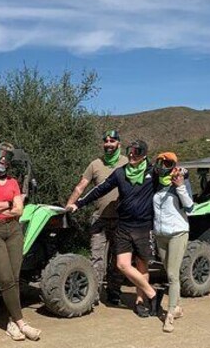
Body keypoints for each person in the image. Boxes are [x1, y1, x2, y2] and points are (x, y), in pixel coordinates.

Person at [67, 140, 158, 318]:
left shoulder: (152, 172)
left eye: (137, 152)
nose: (132, 154)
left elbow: (168, 178)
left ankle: (141, 302)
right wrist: (78, 204)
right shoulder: (120, 173)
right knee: (122, 264)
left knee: (141, 265)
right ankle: (153, 294)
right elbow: (99, 190)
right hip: (124, 225)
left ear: (145, 155)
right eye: (130, 151)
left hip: (144, 226)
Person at [0, 142, 41, 341]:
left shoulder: (13, 181)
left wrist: (4, 207)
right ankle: (22, 323)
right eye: (0, 155)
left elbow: (19, 210)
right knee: (5, 278)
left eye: (7, 157)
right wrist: (8, 204)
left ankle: (12, 323)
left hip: (13, 229)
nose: (3, 160)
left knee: (14, 277)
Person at [65, 130, 128, 306]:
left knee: (118, 258)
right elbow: (81, 187)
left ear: (119, 144)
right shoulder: (95, 164)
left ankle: (114, 293)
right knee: (96, 259)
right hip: (99, 219)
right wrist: (69, 206)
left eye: (112, 141)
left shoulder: (127, 162)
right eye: (106, 141)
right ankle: (93, 294)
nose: (108, 144)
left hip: (121, 220)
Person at [152, 152, 193, 333]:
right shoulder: (156, 184)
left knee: (172, 274)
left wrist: (181, 186)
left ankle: (169, 316)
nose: (163, 165)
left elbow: (190, 207)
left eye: (167, 162)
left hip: (178, 232)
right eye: (161, 161)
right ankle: (178, 307)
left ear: (174, 164)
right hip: (160, 234)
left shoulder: (181, 181)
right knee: (168, 271)